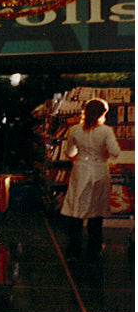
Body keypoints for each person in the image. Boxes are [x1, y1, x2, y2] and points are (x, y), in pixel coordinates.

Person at [61, 98, 120, 262]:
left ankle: (73, 250)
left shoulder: (75, 130)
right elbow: (114, 152)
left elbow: (70, 153)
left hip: (80, 171)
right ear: (102, 114)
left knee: (76, 211)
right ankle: (94, 248)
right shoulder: (106, 131)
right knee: (96, 211)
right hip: (100, 171)